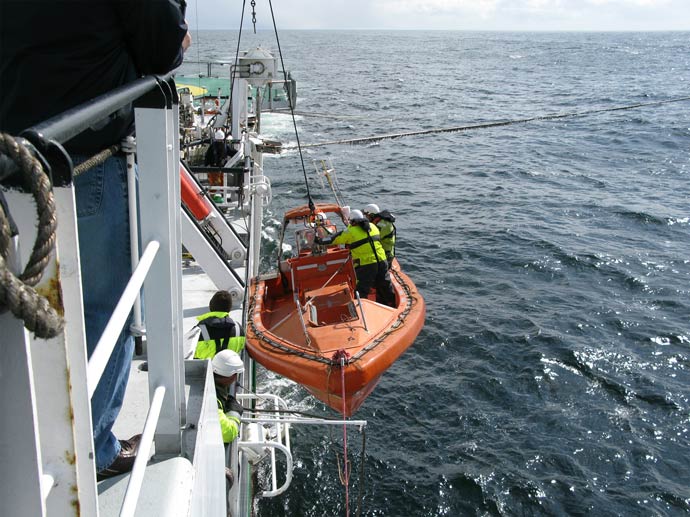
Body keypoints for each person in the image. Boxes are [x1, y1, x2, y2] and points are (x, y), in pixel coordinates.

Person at [0, 1, 191, 480]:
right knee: (107, 308)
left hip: (13, 155)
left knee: (27, 303)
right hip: (83, 160)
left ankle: (29, 453)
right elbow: (163, 46)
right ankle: (93, 450)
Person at [318, 209, 396, 307]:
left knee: (362, 289)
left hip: (366, 264)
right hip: (382, 261)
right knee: (385, 284)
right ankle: (392, 304)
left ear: (352, 221)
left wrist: (319, 241)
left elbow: (335, 239)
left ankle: (362, 309)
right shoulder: (373, 227)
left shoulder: (351, 231)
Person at [193, 290, 246, 359]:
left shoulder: (201, 329)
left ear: (210, 306)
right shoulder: (238, 329)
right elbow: (241, 347)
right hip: (230, 368)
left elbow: (192, 352)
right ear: (229, 308)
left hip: (206, 368)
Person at [211, 350, 244, 444]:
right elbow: (228, 434)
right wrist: (235, 413)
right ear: (233, 376)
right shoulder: (213, 401)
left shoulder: (203, 378)